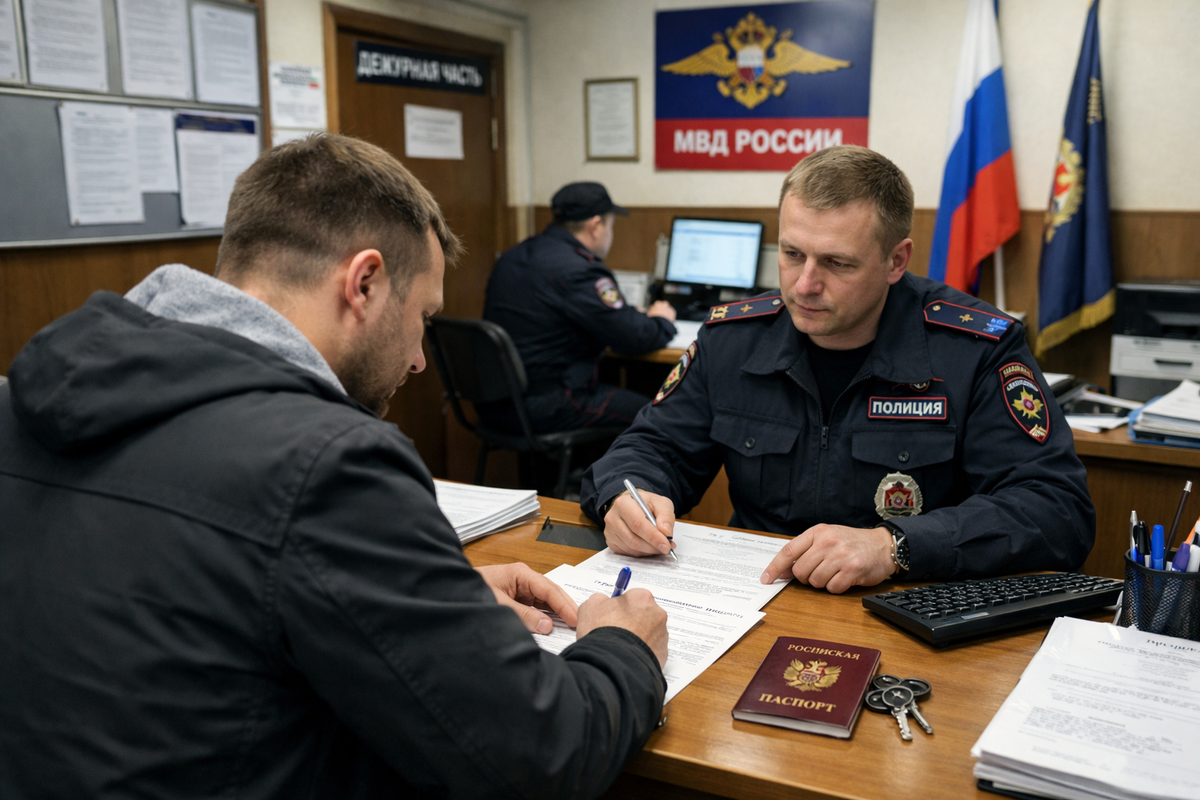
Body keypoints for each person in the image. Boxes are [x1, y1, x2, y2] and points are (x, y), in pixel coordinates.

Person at [0, 134, 669, 799]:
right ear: (364, 284)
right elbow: (541, 755)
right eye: (423, 318)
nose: (420, 360)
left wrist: (422, 597)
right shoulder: (328, 465)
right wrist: (623, 645)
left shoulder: (24, 404)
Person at [581, 145, 1095, 594]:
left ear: (896, 261)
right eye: (792, 254)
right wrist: (628, 495)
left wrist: (895, 545)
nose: (804, 284)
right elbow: (651, 447)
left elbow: (1057, 511)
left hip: (907, 606)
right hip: (752, 595)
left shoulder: (974, 349)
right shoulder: (733, 339)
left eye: (837, 263)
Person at [479, 182, 678, 434]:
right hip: (548, 405)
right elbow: (635, 337)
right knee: (660, 419)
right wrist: (662, 319)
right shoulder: (579, 270)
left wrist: (626, 316)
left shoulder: (514, 255)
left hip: (495, 402)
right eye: (611, 225)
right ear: (595, 226)